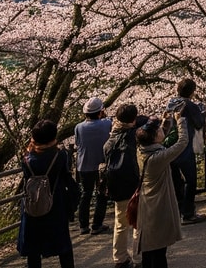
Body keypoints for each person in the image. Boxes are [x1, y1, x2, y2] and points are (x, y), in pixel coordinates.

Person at [17, 119, 78, 268]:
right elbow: (67, 179)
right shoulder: (60, 156)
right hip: (55, 203)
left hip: (32, 205)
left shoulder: (26, 158)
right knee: (63, 245)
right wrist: (73, 202)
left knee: (33, 248)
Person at [133, 114, 188, 268]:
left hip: (146, 203)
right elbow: (182, 143)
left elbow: (157, 139)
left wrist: (165, 122)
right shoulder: (158, 158)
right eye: (158, 130)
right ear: (154, 137)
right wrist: (181, 120)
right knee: (158, 251)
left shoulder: (143, 150)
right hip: (157, 205)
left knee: (149, 248)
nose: (161, 131)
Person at [102, 104, 141, 268]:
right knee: (138, 223)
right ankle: (139, 257)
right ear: (134, 119)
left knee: (120, 223)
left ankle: (120, 258)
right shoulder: (134, 136)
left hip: (117, 186)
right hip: (133, 185)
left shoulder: (110, 141)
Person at [166, 79, 206, 224]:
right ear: (192, 91)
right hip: (184, 148)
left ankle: (178, 210)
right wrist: (202, 112)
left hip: (169, 148)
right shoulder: (190, 105)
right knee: (191, 180)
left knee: (176, 181)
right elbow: (199, 123)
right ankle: (188, 213)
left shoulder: (171, 103)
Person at [74, 98, 112, 237]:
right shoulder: (107, 124)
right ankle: (97, 224)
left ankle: (83, 225)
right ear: (100, 111)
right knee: (101, 194)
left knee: (86, 193)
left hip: (83, 164)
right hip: (101, 164)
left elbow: (78, 143)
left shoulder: (78, 127)